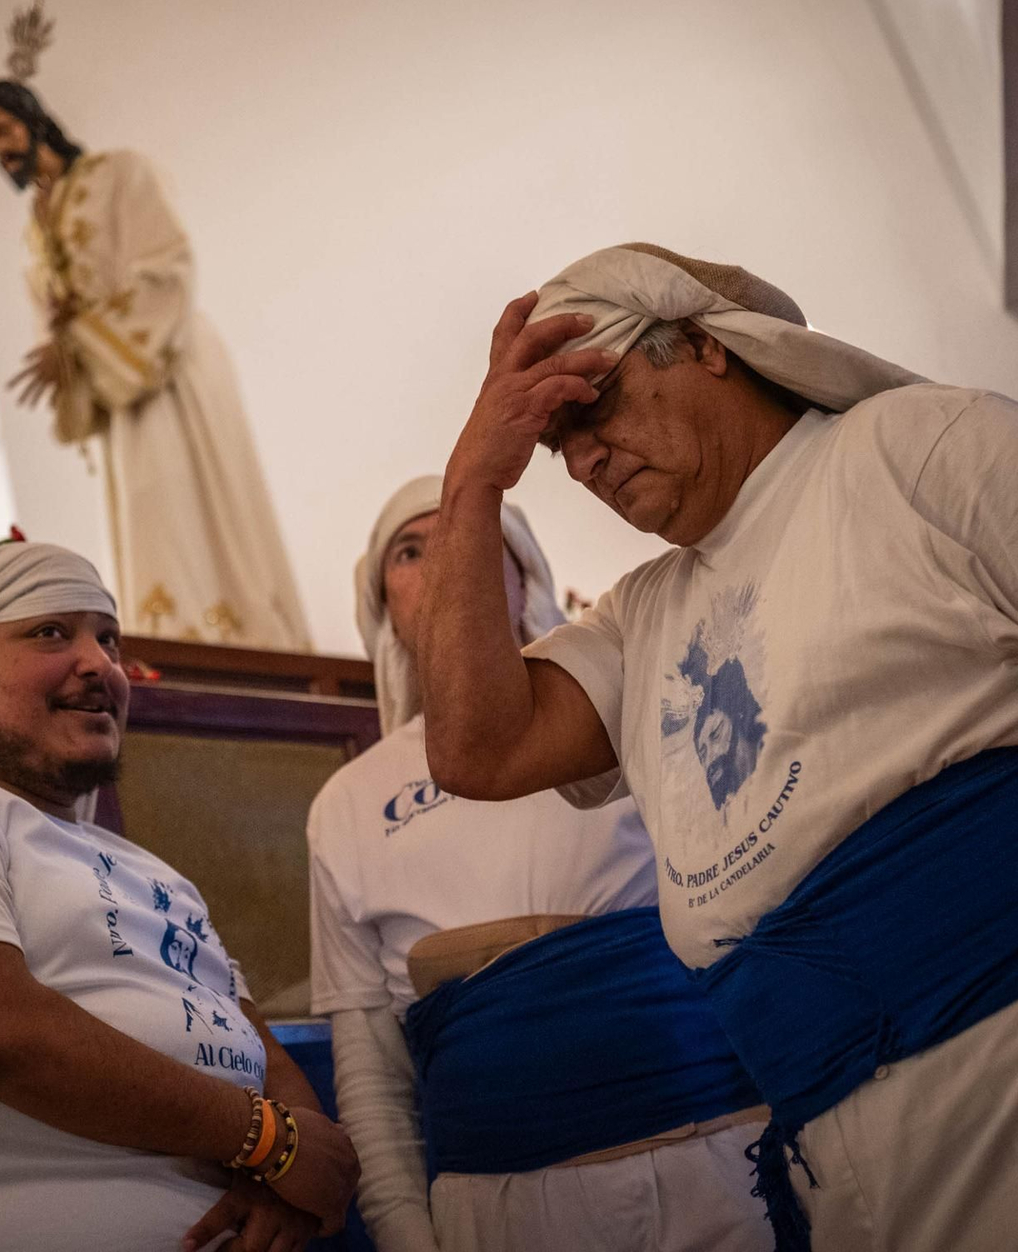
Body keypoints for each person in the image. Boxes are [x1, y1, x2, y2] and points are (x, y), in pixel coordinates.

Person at [417, 242, 1018, 1251]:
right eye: (553, 443)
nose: (580, 459)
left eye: (595, 403)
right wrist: (472, 484)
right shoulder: (639, 618)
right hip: (834, 1141)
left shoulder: (916, 448)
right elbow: (472, 750)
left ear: (707, 347)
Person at [0, 540, 358, 1251]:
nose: (101, 664)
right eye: (51, 632)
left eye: (108, 637)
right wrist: (267, 1140)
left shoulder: (157, 872)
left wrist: (283, 1179)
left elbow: (263, 1054)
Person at [309, 475, 771, 1252]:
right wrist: (406, 1233)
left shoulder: (628, 716)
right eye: (413, 551)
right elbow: (373, 1075)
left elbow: (752, 922)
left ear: (524, 578)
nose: (448, 563)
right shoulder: (346, 803)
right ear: (383, 606)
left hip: (721, 1162)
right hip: (498, 1209)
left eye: (474, 538)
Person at [0, 78, 311, 651]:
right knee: (145, 507)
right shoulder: (34, 227)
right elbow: (51, 318)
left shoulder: (118, 174)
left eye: (1, 129)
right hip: (113, 389)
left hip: (164, 366)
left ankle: (230, 635)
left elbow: (167, 269)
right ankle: (168, 633)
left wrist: (79, 342)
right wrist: (64, 353)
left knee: (186, 495)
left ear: (33, 118)